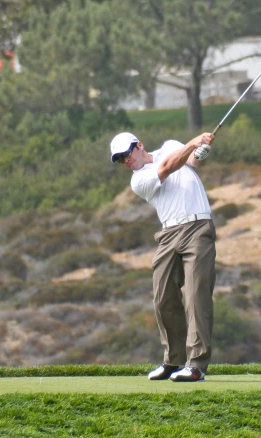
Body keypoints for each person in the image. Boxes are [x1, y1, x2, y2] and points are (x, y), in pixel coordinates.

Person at [110, 131, 216, 382]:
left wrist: (199, 152)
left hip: (198, 228)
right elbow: (169, 166)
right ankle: (173, 360)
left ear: (139, 146)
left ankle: (196, 365)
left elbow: (191, 162)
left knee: (195, 295)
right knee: (162, 297)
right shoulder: (139, 180)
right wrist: (193, 143)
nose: (125, 160)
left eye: (126, 153)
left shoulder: (170, 145)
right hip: (168, 234)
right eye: (119, 159)